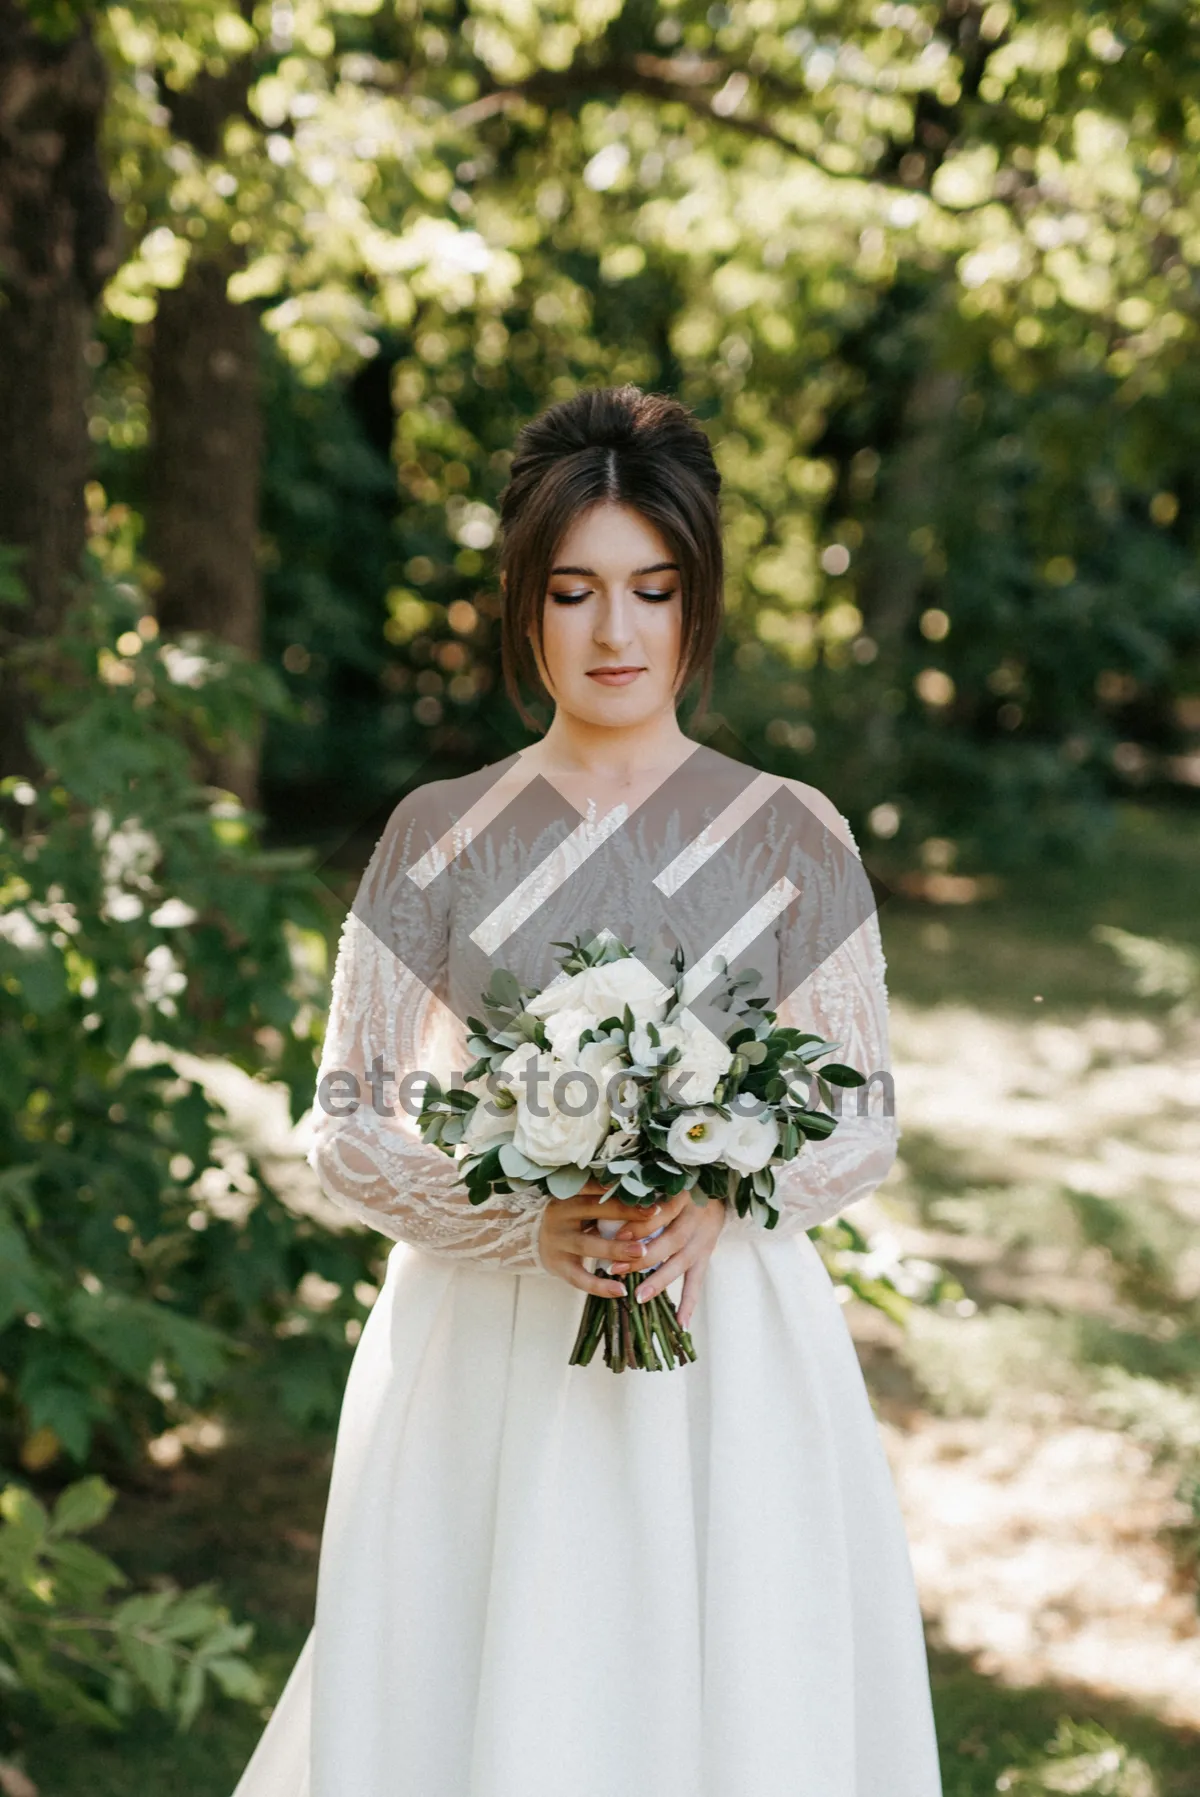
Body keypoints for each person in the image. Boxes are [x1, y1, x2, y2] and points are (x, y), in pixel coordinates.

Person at [231, 385, 943, 1797]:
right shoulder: (438, 838)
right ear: (524, 603)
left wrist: (720, 1201)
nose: (613, 633)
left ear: (698, 601)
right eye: (573, 592)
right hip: (492, 1341)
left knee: (732, 1686)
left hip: (728, 1338)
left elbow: (863, 1113)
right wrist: (522, 1223)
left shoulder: (794, 835)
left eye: (649, 590)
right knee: (484, 1679)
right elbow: (349, 1121)